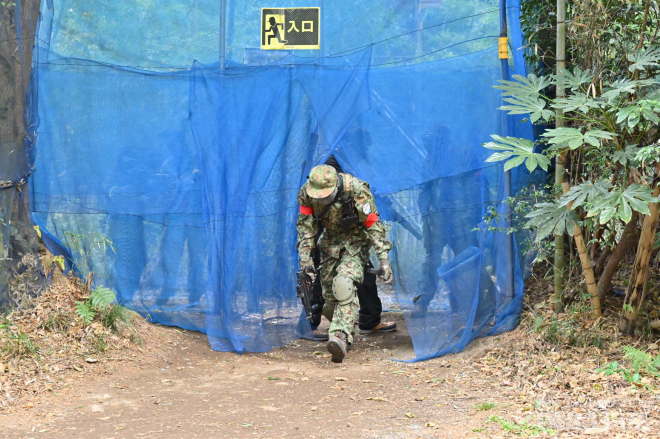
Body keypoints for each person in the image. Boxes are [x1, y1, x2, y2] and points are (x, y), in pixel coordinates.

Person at [297, 164, 394, 363]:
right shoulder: (306, 193)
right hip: (329, 244)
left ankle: (340, 336)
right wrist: (305, 258)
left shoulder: (356, 190)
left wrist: (384, 259)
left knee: (344, 284)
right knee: (329, 301)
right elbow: (306, 227)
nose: (321, 199)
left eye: (325, 195)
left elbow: (373, 224)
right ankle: (346, 325)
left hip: (355, 242)